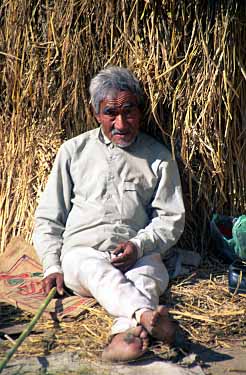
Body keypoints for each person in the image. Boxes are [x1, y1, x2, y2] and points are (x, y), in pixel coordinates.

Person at [33, 65, 185, 361]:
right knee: (95, 269)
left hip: (138, 252)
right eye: (110, 114)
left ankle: (123, 337)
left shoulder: (158, 158)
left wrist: (139, 245)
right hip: (84, 255)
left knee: (148, 274)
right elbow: (49, 218)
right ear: (95, 114)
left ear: (139, 111)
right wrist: (52, 265)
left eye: (128, 111)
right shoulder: (73, 152)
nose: (121, 123)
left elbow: (171, 218)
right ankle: (146, 315)